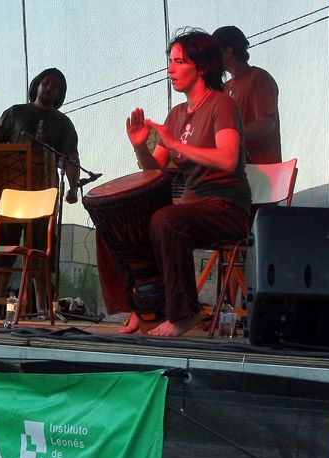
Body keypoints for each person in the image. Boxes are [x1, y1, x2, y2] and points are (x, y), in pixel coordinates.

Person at [124, 29, 251, 337]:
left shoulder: (221, 105)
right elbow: (155, 169)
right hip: (192, 210)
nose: (170, 69)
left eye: (178, 61)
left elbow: (228, 159)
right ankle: (146, 308)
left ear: (202, 67)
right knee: (121, 224)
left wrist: (174, 144)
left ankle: (185, 314)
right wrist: (140, 145)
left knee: (166, 219)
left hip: (227, 209)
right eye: (170, 61)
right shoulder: (177, 113)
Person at [0, 68, 80, 313]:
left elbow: (71, 156)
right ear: (36, 85)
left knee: (41, 247)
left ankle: (42, 309)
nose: (50, 88)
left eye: (56, 86)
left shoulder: (63, 123)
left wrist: (72, 188)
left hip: (43, 196)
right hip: (12, 194)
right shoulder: (15, 112)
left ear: (60, 93)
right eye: (46, 83)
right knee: (4, 243)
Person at [212, 25, 281, 165]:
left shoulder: (259, 78)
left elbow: (267, 125)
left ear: (228, 52)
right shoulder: (223, 89)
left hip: (263, 172)